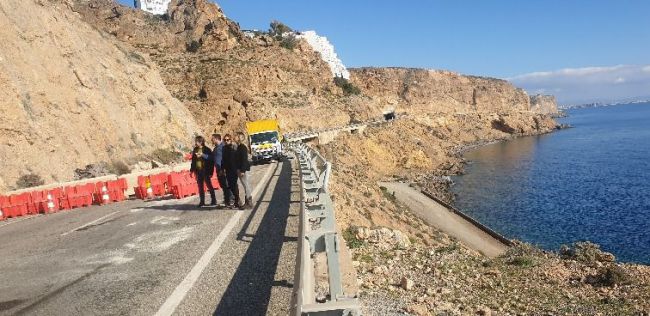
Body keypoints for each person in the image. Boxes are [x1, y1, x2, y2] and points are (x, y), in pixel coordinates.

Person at [190, 135, 216, 207]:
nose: (195, 143)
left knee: (209, 185)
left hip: (205, 170)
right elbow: (193, 161)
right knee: (200, 187)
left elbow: (211, 161)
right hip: (198, 171)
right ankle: (202, 201)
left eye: (196, 141)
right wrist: (191, 170)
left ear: (201, 142)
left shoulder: (207, 149)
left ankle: (213, 200)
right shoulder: (195, 149)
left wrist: (211, 172)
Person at [222, 134, 243, 209]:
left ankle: (238, 201)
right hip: (227, 170)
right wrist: (222, 169)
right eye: (225, 140)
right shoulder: (224, 148)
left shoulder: (234, 147)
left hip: (234, 169)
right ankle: (236, 201)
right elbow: (223, 160)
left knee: (234, 185)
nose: (226, 141)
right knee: (230, 186)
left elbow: (239, 158)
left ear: (231, 140)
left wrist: (240, 168)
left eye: (228, 140)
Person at [211, 133, 230, 207]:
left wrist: (224, 169)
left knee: (226, 185)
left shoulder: (223, 147)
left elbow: (226, 159)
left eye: (212, 139)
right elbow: (211, 157)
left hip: (223, 169)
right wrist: (202, 155)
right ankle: (227, 200)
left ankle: (230, 200)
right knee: (223, 185)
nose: (211, 140)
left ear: (216, 139)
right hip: (218, 169)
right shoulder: (215, 148)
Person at [235, 132, 253, 209]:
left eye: (235, 136)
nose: (234, 138)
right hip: (240, 169)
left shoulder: (242, 147)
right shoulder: (239, 147)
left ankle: (249, 203)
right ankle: (247, 202)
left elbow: (244, 160)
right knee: (245, 185)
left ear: (239, 138)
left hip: (243, 170)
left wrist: (242, 170)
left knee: (246, 186)